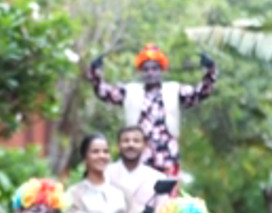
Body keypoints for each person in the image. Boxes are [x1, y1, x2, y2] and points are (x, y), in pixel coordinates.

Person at [87, 43, 217, 176]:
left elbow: (200, 93)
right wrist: (95, 71)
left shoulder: (174, 90)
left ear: (161, 70)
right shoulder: (130, 91)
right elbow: (104, 92)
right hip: (137, 160)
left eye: (154, 69)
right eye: (146, 69)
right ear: (141, 71)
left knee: (168, 196)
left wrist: (209, 70)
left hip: (167, 158)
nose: (150, 73)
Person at [61, 133, 129, 213]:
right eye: (95, 151)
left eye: (105, 151)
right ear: (85, 157)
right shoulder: (74, 193)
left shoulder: (120, 192)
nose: (101, 156)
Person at [106, 125, 168, 213]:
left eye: (136, 141)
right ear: (118, 145)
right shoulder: (104, 174)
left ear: (145, 146)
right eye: (126, 141)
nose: (131, 144)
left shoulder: (158, 178)